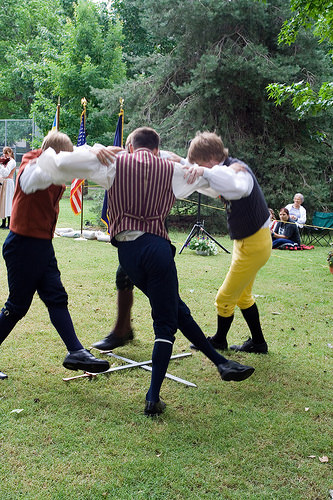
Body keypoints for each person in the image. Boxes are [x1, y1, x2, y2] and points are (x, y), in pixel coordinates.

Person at [35, 126, 255, 416]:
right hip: (156, 247)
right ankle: (153, 397)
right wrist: (194, 168)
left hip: (128, 254)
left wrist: (93, 148)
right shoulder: (172, 169)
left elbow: (62, 160)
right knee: (166, 322)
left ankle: (220, 362)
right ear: (155, 148)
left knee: (175, 308)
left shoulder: (113, 162)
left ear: (131, 146)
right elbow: (222, 187)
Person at [0, 131, 110, 381]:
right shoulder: (32, 161)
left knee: (56, 298)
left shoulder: (57, 166)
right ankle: (76, 350)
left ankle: (76, 352)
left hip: (42, 246)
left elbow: (82, 159)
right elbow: (30, 179)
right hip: (23, 245)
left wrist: (96, 152)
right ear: (57, 155)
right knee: (17, 307)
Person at [185, 131, 272, 355]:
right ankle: (259, 344)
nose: (202, 167)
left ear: (212, 159)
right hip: (250, 242)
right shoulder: (224, 171)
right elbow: (216, 188)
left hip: (252, 245)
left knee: (224, 298)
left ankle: (219, 340)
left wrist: (204, 171)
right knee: (243, 296)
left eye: (202, 163)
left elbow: (238, 188)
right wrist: (195, 175)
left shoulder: (238, 171)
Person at [0, 147, 16, 229]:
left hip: (8, 183)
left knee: (8, 202)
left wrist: (1, 165)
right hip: (3, 182)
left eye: (6, 153)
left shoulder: (12, 162)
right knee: (3, 202)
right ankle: (3, 222)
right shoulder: (5, 162)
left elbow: (6, 173)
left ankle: (9, 224)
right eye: (4, 153)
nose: (5, 155)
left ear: (10, 153)